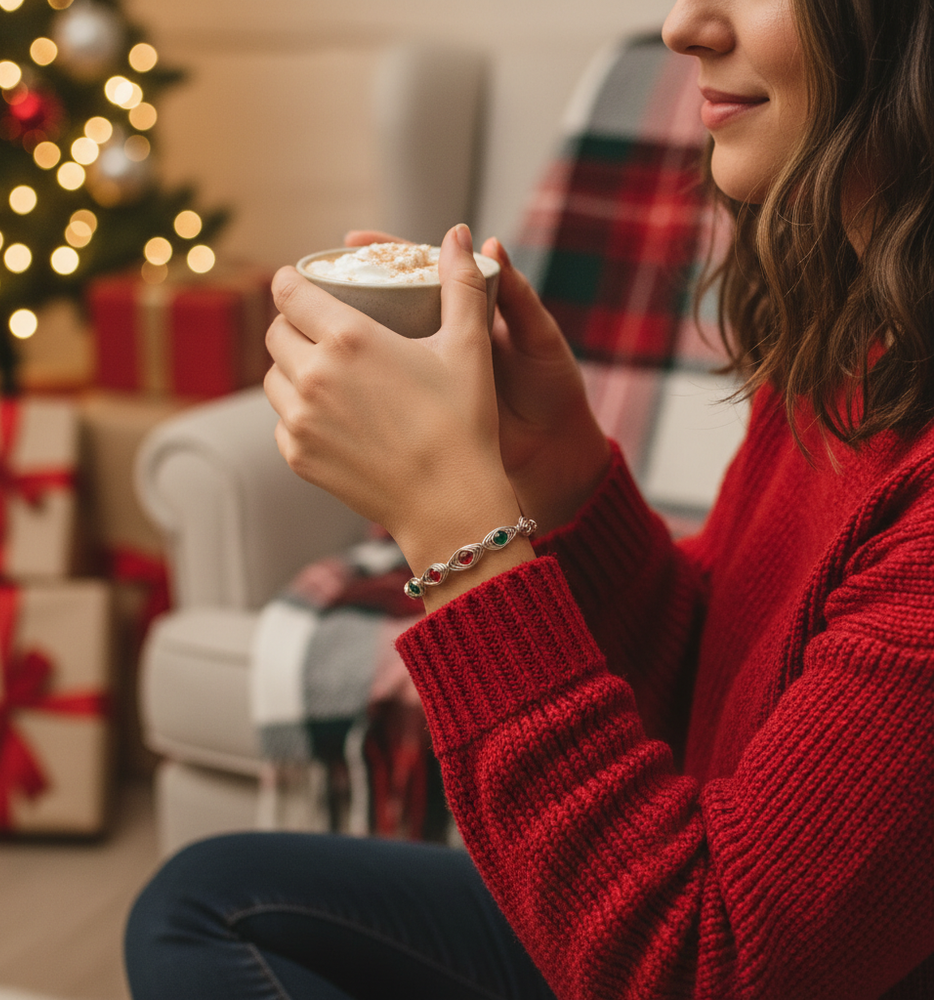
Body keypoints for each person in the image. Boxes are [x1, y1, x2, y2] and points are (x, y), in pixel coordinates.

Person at [123, 0, 934, 996]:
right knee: (211, 900)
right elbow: (714, 705)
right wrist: (559, 475)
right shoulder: (867, 328)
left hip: (701, 950)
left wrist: (457, 535)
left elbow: (703, 963)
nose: (684, 25)